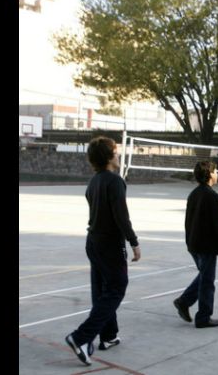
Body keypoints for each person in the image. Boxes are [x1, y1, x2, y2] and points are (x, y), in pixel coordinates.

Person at [65, 136, 141, 366]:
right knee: (116, 289)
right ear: (109, 157)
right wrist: (134, 242)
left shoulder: (94, 181)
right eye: (115, 152)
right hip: (109, 244)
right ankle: (80, 337)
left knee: (102, 292)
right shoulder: (114, 181)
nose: (118, 155)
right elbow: (121, 216)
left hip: (93, 241)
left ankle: (108, 336)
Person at [173, 161, 218, 328]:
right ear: (210, 174)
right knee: (207, 281)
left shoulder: (193, 194)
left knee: (204, 276)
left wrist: (188, 242)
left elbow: (188, 222)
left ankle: (184, 302)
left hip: (194, 244)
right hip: (206, 246)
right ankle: (203, 317)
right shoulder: (212, 196)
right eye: (216, 171)